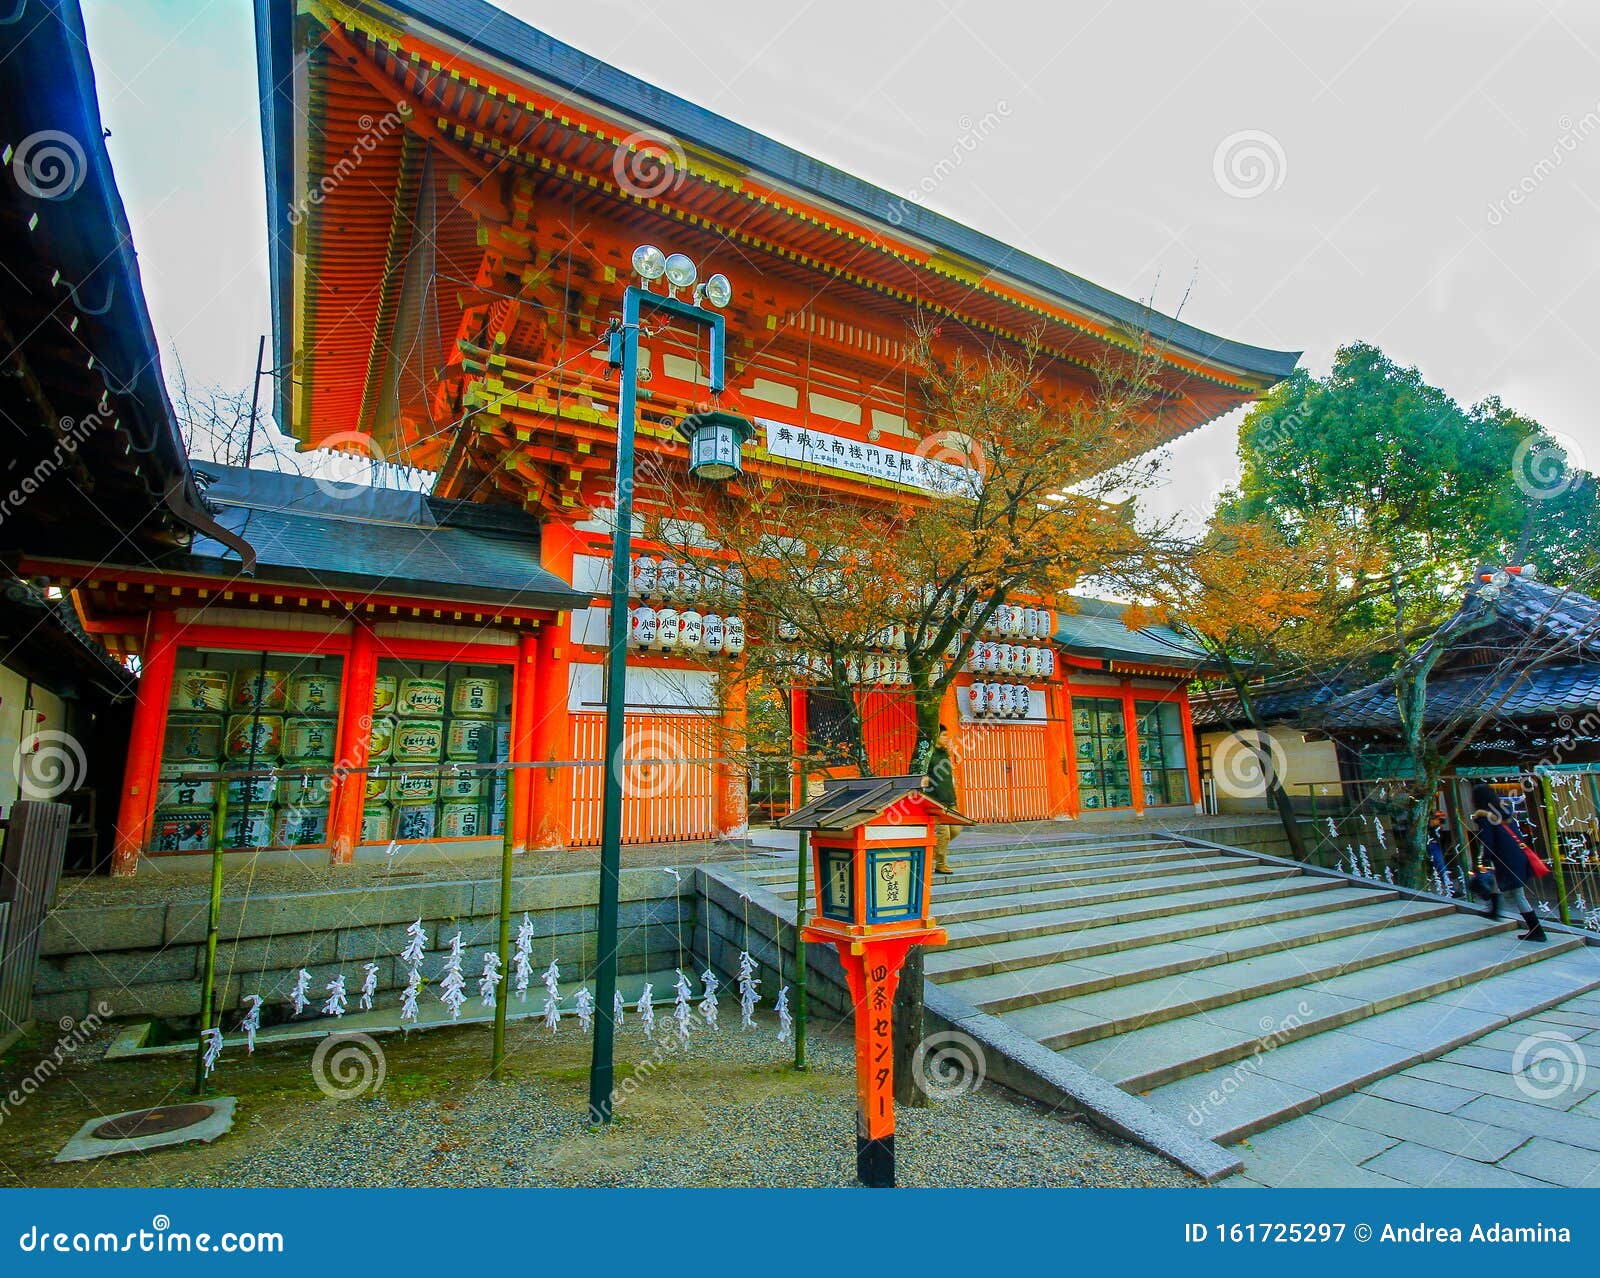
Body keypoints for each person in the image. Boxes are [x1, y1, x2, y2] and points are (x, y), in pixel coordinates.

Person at [1469, 783, 1546, 943]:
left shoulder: (1485, 817)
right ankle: (1495, 911)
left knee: (1519, 895)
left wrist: (1482, 860)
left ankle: (1536, 930)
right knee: (1501, 883)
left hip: (1506, 859)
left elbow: (1487, 840)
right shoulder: (1504, 811)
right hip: (1517, 855)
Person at [924, 724, 960, 874]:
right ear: (936, 737)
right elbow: (923, 776)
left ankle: (931, 851)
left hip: (950, 798)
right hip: (936, 800)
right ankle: (940, 864)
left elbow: (956, 762)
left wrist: (955, 752)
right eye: (944, 735)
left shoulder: (945, 752)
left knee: (956, 830)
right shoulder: (929, 754)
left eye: (947, 735)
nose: (946, 738)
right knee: (943, 833)